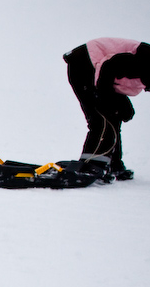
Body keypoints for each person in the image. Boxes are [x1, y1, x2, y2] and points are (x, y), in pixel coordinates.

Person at [63, 37, 150, 181]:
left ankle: (112, 165)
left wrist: (121, 102)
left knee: (113, 115)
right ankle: (92, 165)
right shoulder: (146, 61)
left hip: (95, 70)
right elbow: (110, 66)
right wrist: (110, 98)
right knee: (100, 118)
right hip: (84, 64)